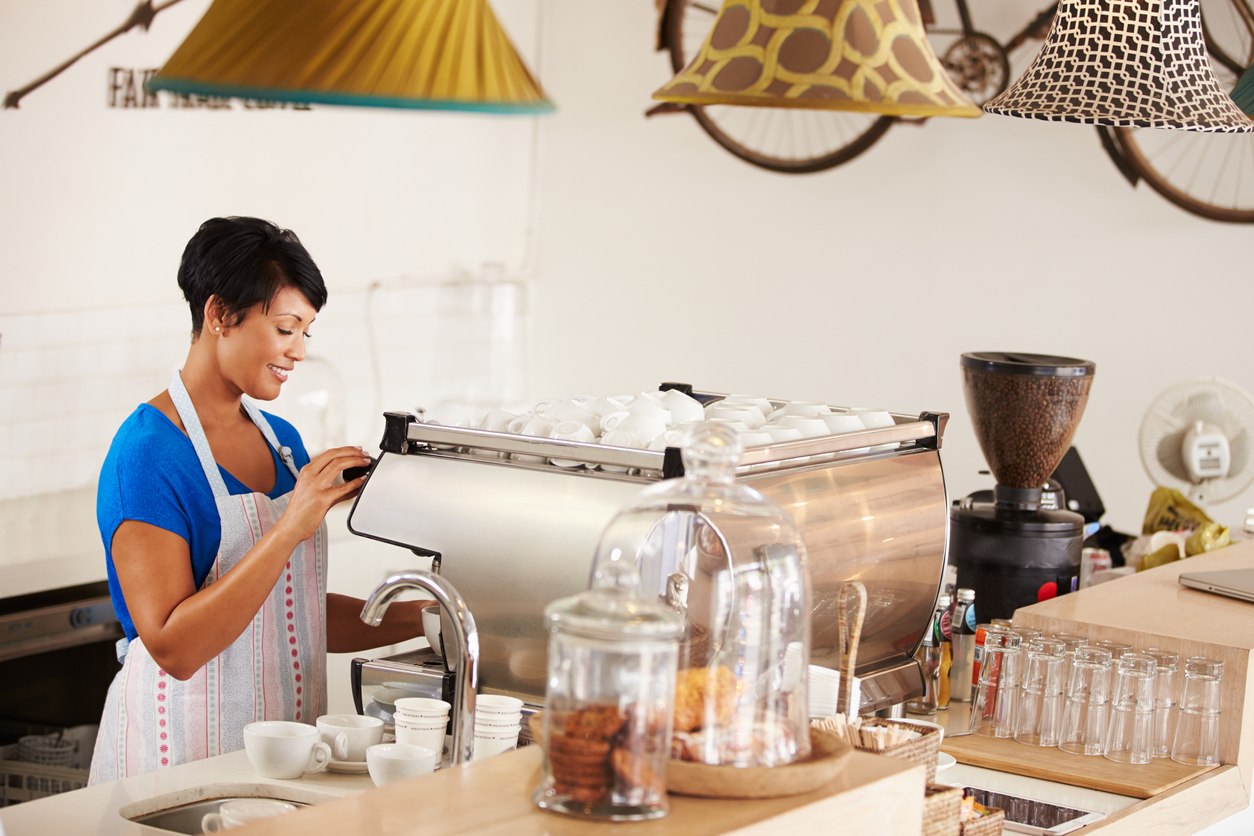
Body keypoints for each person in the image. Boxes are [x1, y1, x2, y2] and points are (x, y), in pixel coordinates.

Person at [89, 217, 431, 782]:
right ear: (220, 314)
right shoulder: (147, 455)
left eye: (307, 332)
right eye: (285, 328)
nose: (297, 351)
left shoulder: (283, 443)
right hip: (175, 766)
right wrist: (291, 524)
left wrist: (422, 617)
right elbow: (175, 648)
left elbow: (289, 616)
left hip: (282, 762)